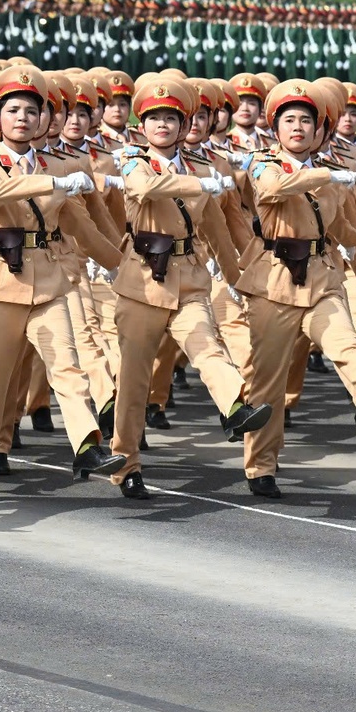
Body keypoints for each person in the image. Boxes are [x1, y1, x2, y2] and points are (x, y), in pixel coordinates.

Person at [0, 65, 126, 504]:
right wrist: (54, 181)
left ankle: (86, 445)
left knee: (66, 365)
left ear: (43, 120)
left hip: (48, 279)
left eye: (32, 111)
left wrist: (120, 266)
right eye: (13, 110)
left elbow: (81, 227)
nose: (23, 118)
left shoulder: (56, 167)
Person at [106, 75, 277, 498]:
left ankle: (236, 406)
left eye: (172, 119)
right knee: (133, 384)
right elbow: (145, 188)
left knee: (207, 344)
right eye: (154, 118)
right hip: (143, 280)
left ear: (185, 126)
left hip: (189, 277)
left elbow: (219, 232)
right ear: (141, 126)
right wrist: (200, 185)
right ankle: (126, 464)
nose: (162, 126)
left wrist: (239, 279)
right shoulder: (131, 160)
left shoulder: (205, 168)